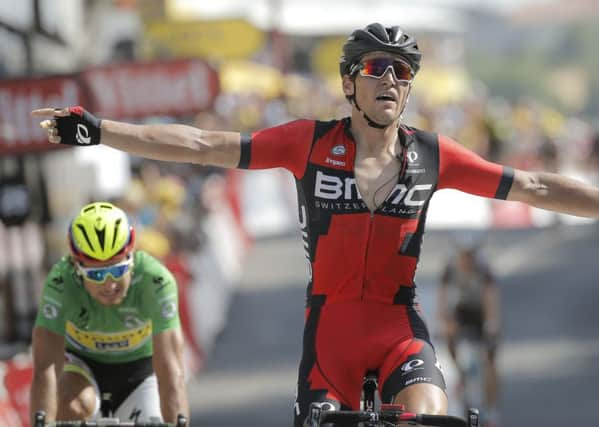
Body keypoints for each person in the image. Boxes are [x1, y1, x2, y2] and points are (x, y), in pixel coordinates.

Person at [32, 22, 599, 426]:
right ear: (350, 83)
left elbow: (537, 186)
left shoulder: (433, 154)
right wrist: (101, 130)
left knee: (430, 418)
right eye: (378, 69)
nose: (392, 81)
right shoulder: (307, 142)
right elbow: (203, 144)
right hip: (330, 334)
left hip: (400, 328)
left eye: (403, 73)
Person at [29, 202, 189, 425]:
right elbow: (45, 370)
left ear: (131, 257)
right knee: (70, 402)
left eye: (117, 269)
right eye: (95, 274)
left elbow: (171, 370)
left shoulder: (155, 281)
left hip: (142, 373)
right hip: (83, 369)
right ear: (76, 265)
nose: (109, 284)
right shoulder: (61, 283)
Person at [437, 233, 499, 423]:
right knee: (453, 350)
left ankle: (492, 410)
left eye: (470, 256)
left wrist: (491, 324)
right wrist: (445, 323)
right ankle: (460, 379)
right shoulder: (450, 269)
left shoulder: (484, 269)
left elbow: (490, 299)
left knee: (489, 363)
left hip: (480, 313)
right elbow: (443, 299)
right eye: (464, 256)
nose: (467, 260)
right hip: (461, 312)